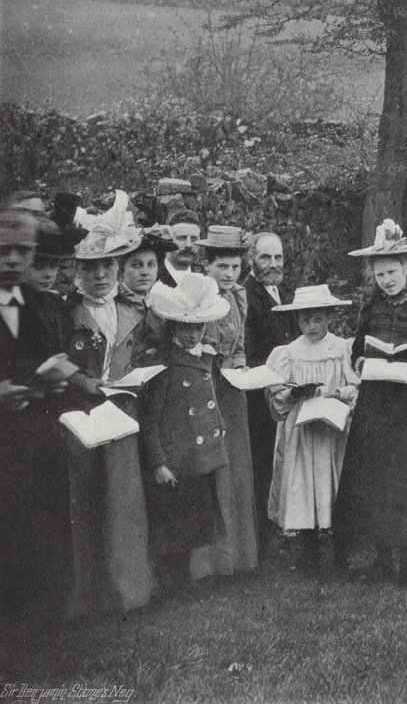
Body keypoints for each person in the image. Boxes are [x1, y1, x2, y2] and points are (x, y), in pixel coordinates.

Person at [333, 219, 407, 588]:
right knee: (377, 480)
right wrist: (364, 362)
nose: (387, 279)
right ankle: (381, 563)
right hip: (376, 405)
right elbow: (355, 353)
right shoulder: (370, 307)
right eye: (380, 273)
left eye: (392, 271)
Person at [0, 209, 104, 625]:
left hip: (37, 440)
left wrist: (67, 380)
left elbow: (46, 358)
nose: (11, 260)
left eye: (21, 252)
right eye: (2, 251)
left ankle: (42, 621)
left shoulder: (42, 305)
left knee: (41, 528)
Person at [62, 192, 157, 618]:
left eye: (106, 266)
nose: (99, 275)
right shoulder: (66, 314)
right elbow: (61, 363)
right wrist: (86, 383)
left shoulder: (132, 311)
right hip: (80, 419)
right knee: (83, 503)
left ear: (118, 267)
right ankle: (86, 595)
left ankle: (129, 592)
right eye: (89, 267)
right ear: (76, 271)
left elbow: (145, 356)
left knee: (125, 502)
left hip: (123, 414)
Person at [138, 272, 230, 592]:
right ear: (173, 327)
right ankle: (171, 584)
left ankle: (185, 580)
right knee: (173, 526)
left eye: (198, 327)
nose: (192, 335)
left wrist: (218, 427)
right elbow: (150, 419)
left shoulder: (203, 357)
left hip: (197, 459)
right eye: (186, 327)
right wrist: (158, 463)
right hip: (176, 460)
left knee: (193, 524)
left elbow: (209, 398)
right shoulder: (164, 364)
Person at [264, 285, 359, 576]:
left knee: (336, 481)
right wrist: (291, 394)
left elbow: (357, 386)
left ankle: (340, 555)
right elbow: (276, 396)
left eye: (317, 319)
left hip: (333, 430)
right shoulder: (289, 354)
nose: (310, 326)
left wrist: (340, 393)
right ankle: (309, 554)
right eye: (304, 320)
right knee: (303, 484)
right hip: (301, 431)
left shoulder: (342, 349)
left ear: (329, 317)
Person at [190, 226, 258, 580]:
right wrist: (222, 363)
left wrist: (242, 363)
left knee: (237, 468)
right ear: (208, 266)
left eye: (234, 267)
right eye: (222, 267)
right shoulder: (200, 297)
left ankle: (241, 556)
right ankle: (212, 561)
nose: (229, 274)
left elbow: (240, 342)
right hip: (209, 390)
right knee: (215, 468)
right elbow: (197, 347)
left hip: (233, 390)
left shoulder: (238, 296)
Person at [243, 230, 295, 550]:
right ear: (251, 260)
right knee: (261, 464)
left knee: (276, 463)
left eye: (278, 257)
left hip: (281, 394)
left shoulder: (282, 292)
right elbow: (249, 355)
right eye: (265, 257)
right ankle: (261, 538)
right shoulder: (249, 296)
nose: (273, 264)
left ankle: (273, 528)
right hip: (259, 396)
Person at [165, 209, 202, 274]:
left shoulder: (204, 278)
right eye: (182, 238)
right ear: (167, 240)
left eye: (194, 239)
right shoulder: (151, 275)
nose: (189, 245)